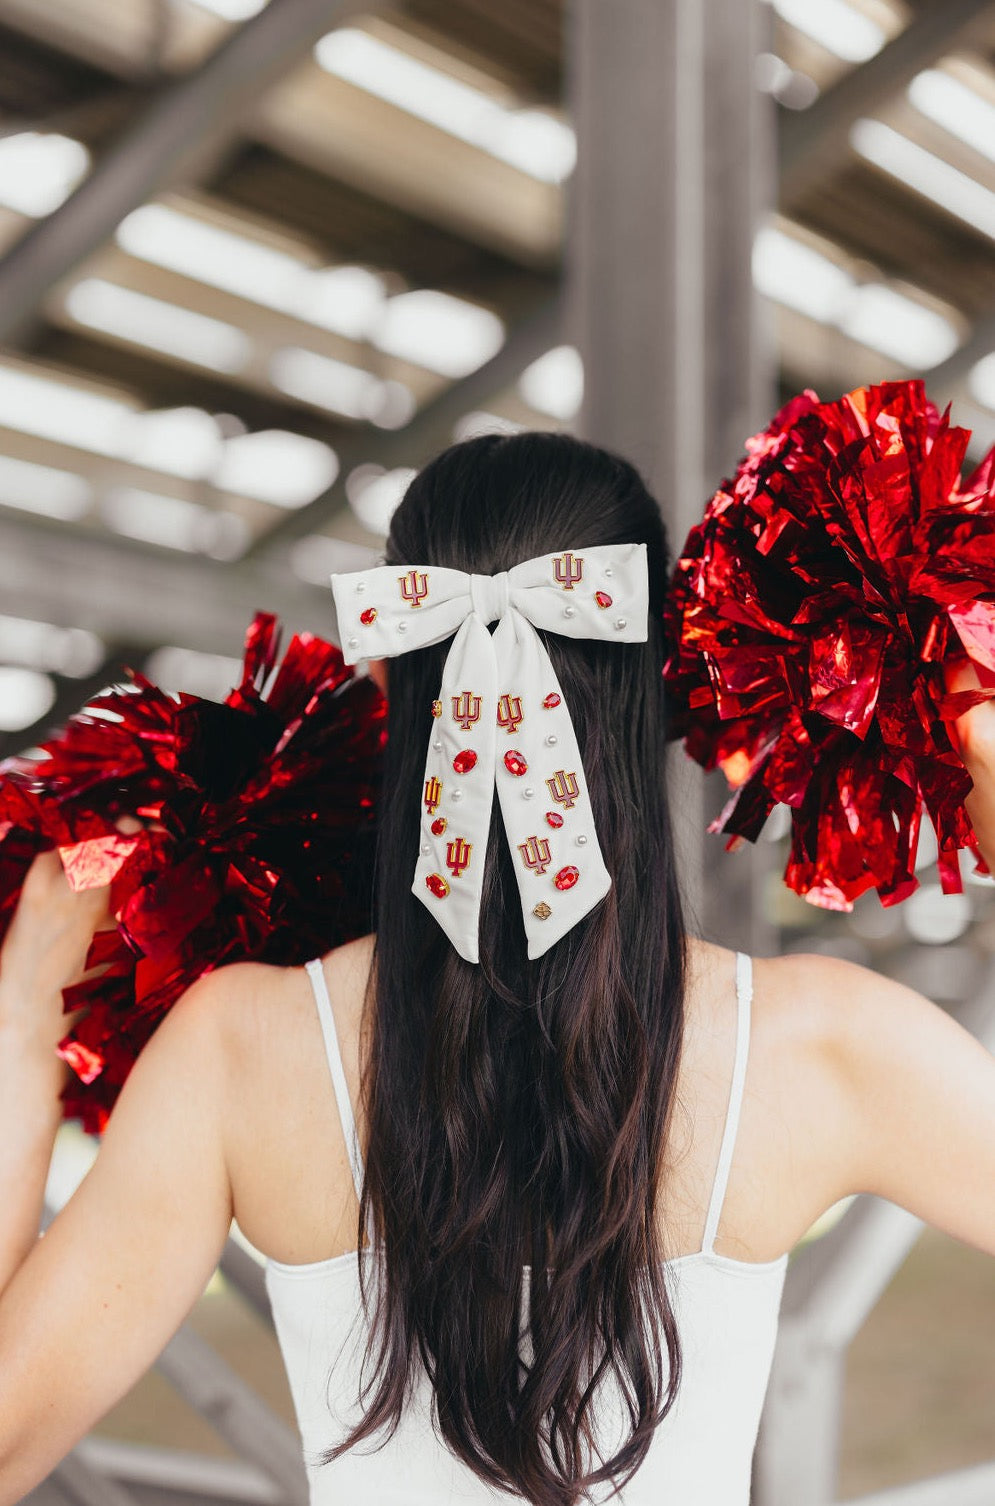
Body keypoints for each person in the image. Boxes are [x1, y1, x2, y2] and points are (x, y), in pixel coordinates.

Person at [1, 430, 994, 1506]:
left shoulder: (239, 1045)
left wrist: (20, 1013)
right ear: (665, 673)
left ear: (389, 674)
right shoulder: (826, 1044)